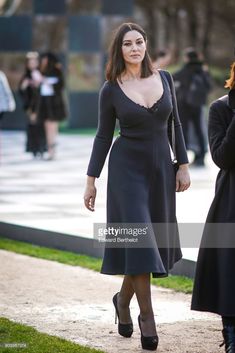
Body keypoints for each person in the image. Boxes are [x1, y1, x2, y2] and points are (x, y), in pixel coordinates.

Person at [84, 22, 190, 351]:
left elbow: (174, 123)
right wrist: (91, 180)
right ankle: (148, 318)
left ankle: (122, 301)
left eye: (139, 42)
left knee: (148, 244)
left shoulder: (165, 78)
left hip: (160, 169)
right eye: (127, 43)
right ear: (119, 50)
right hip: (126, 171)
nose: (134, 48)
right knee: (140, 240)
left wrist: (183, 164)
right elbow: (103, 136)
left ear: (146, 45)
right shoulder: (111, 89)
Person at [191, 61, 235, 352]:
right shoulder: (221, 109)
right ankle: (231, 334)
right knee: (230, 266)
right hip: (232, 197)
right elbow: (221, 157)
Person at [173, 48, 211, 166]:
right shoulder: (203, 70)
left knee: (183, 130)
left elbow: (172, 78)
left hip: (183, 105)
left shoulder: (185, 70)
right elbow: (209, 86)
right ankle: (201, 156)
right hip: (198, 105)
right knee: (199, 129)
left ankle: (181, 157)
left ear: (187, 58)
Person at [37, 52, 66, 160]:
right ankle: (50, 150)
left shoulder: (57, 71)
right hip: (44, 104)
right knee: (46, 127)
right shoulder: (40, 72)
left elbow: (60, 86)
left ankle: (52, 151)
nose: (43, 62)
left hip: (54, 104)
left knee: (51, 127)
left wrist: (45, 82)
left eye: (45, 60)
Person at [19, 52, 46, 158]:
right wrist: (24, 86)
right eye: (31, 62)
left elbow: (43, 90)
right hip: (30, 106)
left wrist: (38, 84)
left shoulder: (40, 74)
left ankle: (42, 148)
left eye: (35, 62)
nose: (33, 64)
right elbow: (21, 91)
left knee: (40, 127)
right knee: (32, 127)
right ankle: (34, 149)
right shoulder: (26, 76)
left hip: (41, 106)